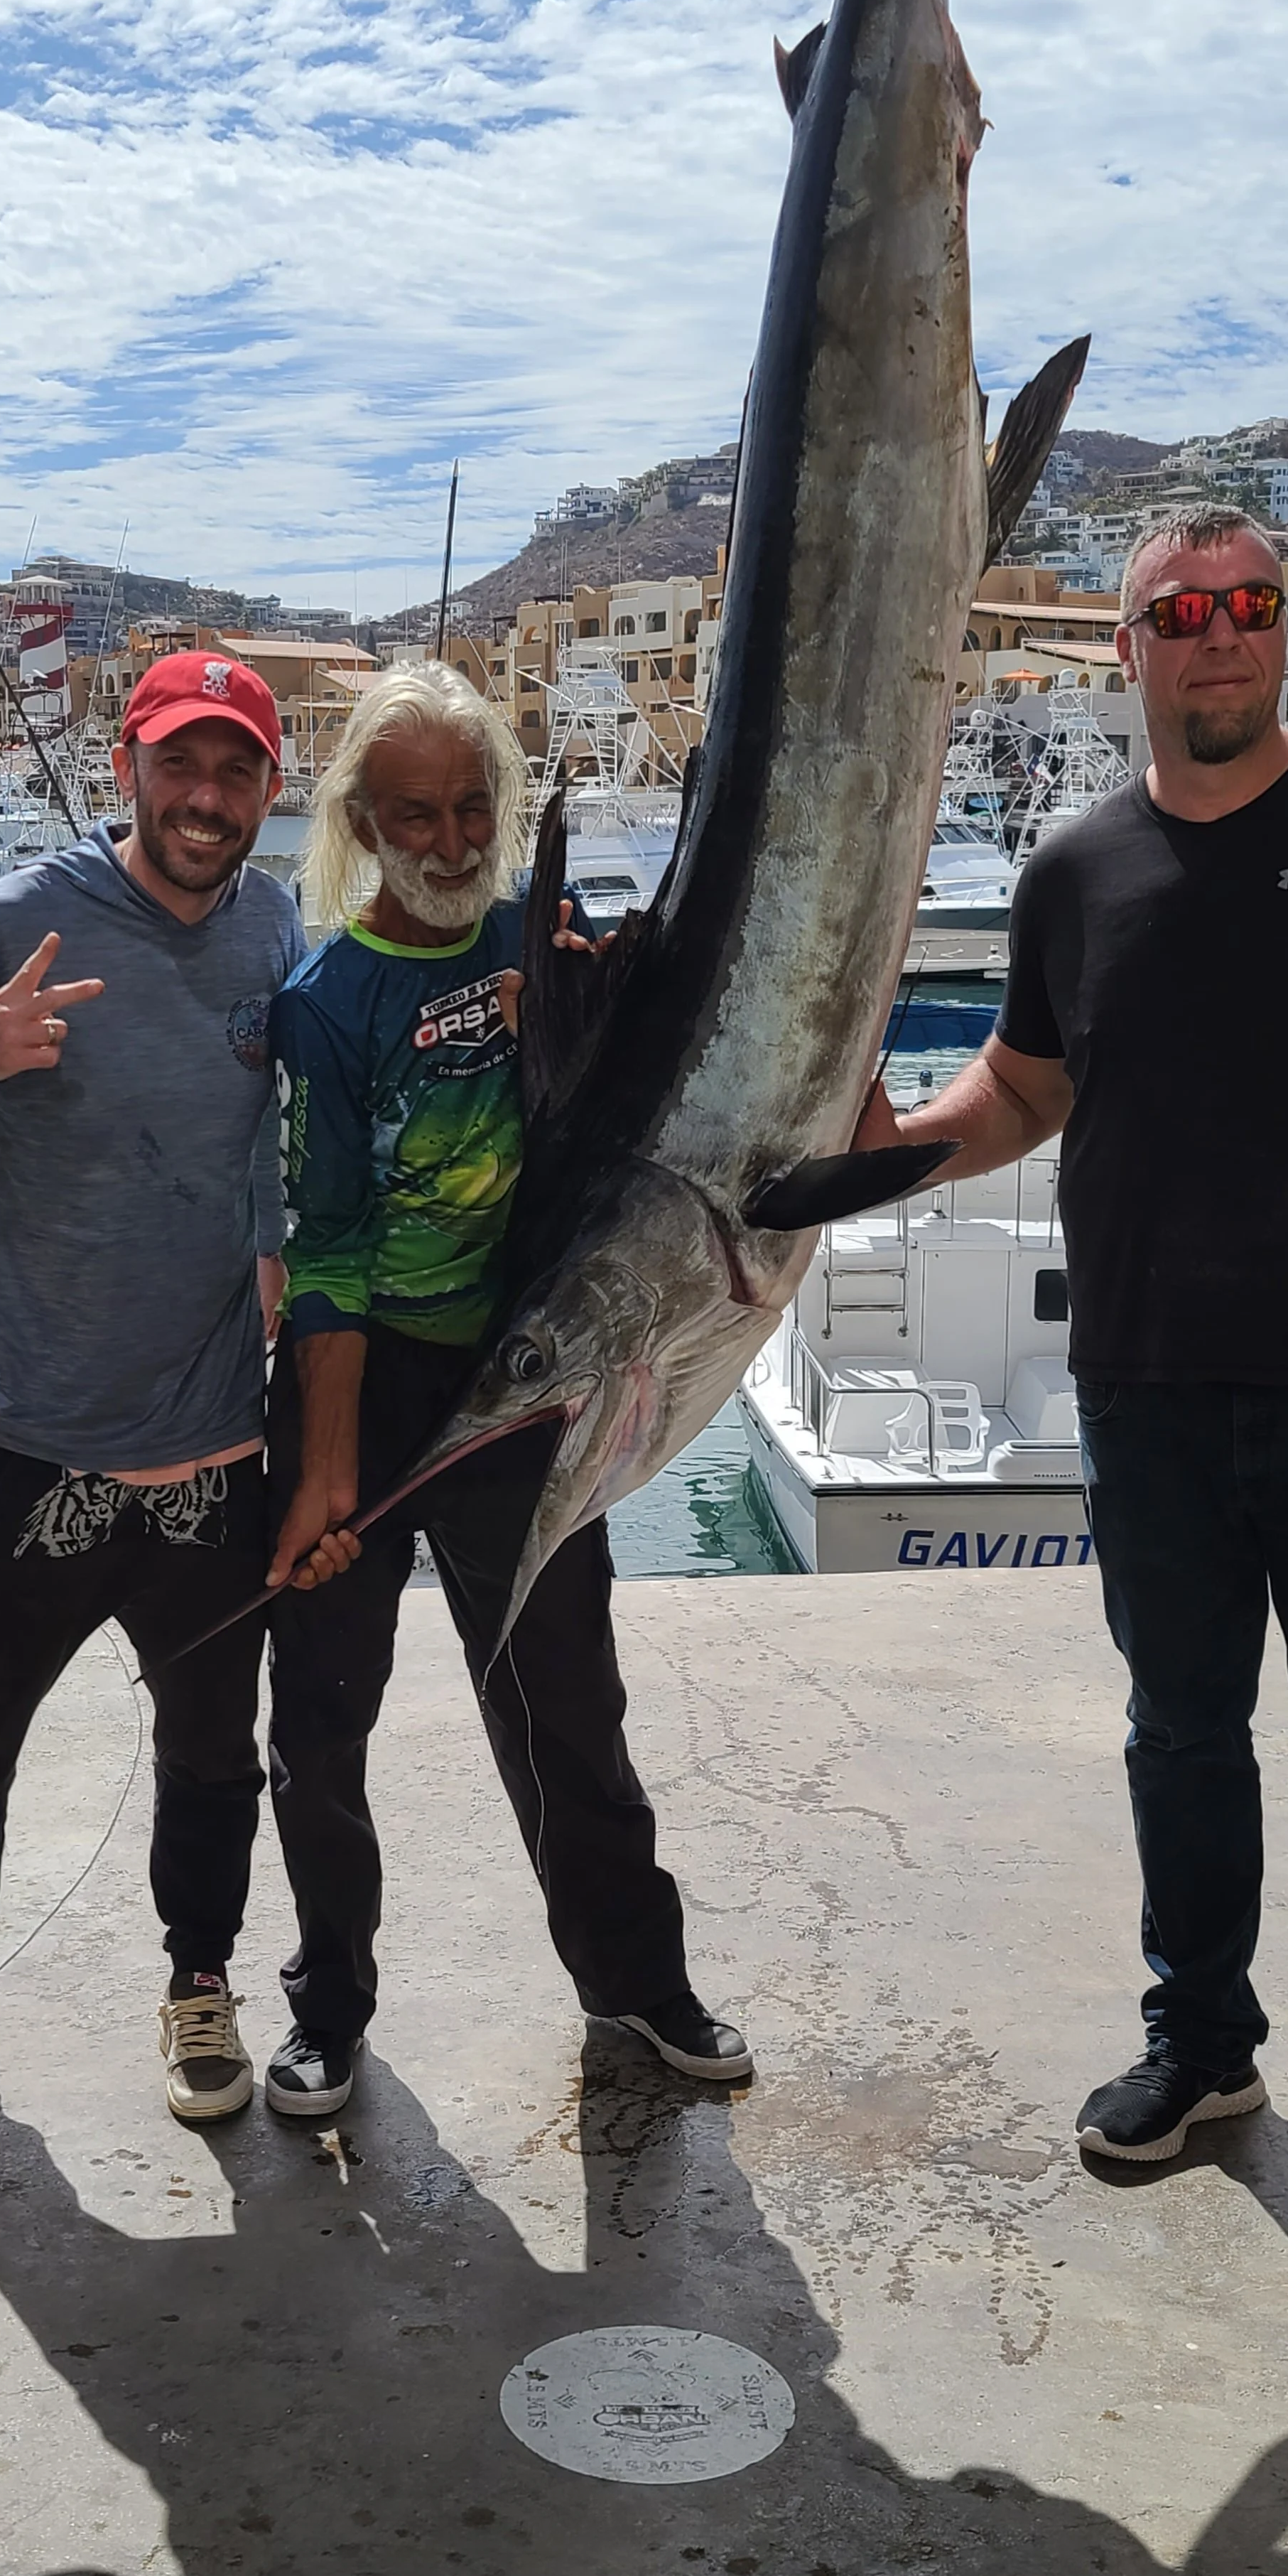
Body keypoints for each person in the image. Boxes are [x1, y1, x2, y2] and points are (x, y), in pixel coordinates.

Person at [884, 505, 1288, 2263]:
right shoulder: (1072, 873)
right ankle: (1203, 2051)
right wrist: (879, 1148)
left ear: (1285, 630)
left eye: (1247, 605)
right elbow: (1019, 1091)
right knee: (1181, 1740)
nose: (1217, 634)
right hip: (1144, 1393)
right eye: (1180, 612)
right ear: (1129, 651)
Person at [0, 650, 303, 2135]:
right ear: (127, 772)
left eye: (234, 772)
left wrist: (280, 1262)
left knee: (214, 1753)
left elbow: (269, 1133)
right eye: (180, 765)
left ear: (267, 792)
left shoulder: (273, 923)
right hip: (26, 1440)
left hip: (214, 1447)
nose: (204, 799)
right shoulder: (7, 921)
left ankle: (199, 1978)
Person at [259, 662, 751, 2117]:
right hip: (364, 1377)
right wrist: (329, 1467)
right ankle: (330, 2008)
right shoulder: (327, 1001)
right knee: (322, 1719)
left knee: (567, 1708)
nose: (453, 835)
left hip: (528, 1377)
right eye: (415, 811)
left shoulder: (544, 950)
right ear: (360, 817)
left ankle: (635, 1986)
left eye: (474, 803)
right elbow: (331, 1252)